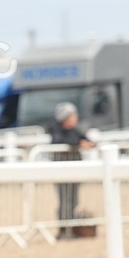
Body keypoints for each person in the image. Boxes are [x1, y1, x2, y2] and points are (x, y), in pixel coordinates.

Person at [48, 102, 95, 240]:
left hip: (74, 173)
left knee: (73, 201)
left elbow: (85, 139)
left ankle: (72, 229)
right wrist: (79, 144)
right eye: (72, 116)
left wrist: (86, 143)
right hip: (62, 173)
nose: (75, 118)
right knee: (65, 201)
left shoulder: (75, 130)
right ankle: (63, 231)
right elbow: (61, 141)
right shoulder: (55, 130)